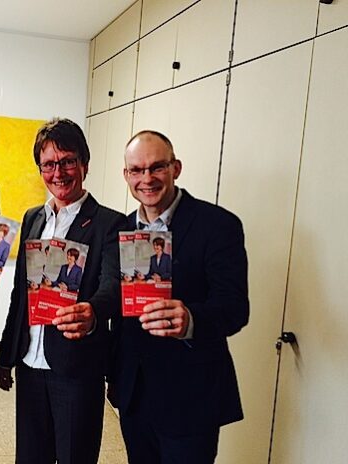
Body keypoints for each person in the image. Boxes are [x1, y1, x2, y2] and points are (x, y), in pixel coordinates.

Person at [110, 130, 249, 464]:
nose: (147, 179)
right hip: (135, 392)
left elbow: (234, 308)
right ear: (126, 175)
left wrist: (191, 319)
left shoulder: (218, 225)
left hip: (191, 397)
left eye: (157, 167)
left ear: (176, 168)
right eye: (137, 170)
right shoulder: (121, 230)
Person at [0, 118, 128, 464]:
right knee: (30, 457)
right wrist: (7, 355)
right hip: (30, 362)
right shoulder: (33, 218)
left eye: (68, 161)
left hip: (76, 366)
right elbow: (19, 294)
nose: (59, 172)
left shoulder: (110, 223)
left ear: (84, 163)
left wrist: (94, 312)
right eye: (49, 164)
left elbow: (114, 286)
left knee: (75, 457)